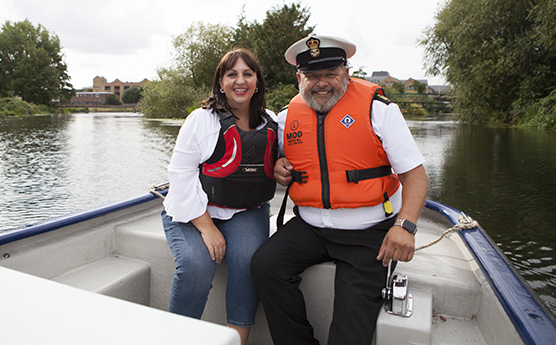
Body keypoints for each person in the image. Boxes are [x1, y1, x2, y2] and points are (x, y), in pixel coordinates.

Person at [251, 35, 429, 345]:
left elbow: (416, 176)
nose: (322, 83)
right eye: (312, 75)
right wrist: (280, 168)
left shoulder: (380, 111)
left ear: (346, 73)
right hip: (310, 227)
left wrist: (405, 226)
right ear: (299, 79)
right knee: (265, 265)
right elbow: (279, 162)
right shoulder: (285, 118)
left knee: (350, 332)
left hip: (369, 232)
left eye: (330, 73)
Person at [162, 47, 278, 345]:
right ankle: (178, 339)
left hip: (246, 210)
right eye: (232, 74)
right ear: (221, 82)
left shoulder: (271, 122)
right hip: (193, 212)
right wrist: (208, 228)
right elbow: (181, 175)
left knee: (249, 262)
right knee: (197, 266)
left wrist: (282, 166)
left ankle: (235, 340)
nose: (240, 81)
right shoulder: (201, 120)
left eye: (247, 74)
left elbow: (276, 162)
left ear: (257, 82)